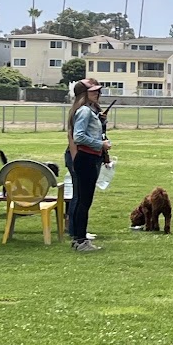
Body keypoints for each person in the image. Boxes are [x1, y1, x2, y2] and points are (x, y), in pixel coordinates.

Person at [66, 79, 110, 253]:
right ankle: (81, 240)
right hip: (87, 158)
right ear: (84, 94)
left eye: (98, 91)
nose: (98, 94)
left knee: (82, 201)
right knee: (84, 202)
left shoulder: (88, 111)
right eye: (93, 92)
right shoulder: (84, 111)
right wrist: (100, 145)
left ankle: (78, 238)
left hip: (88, 158)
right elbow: (79, 137)